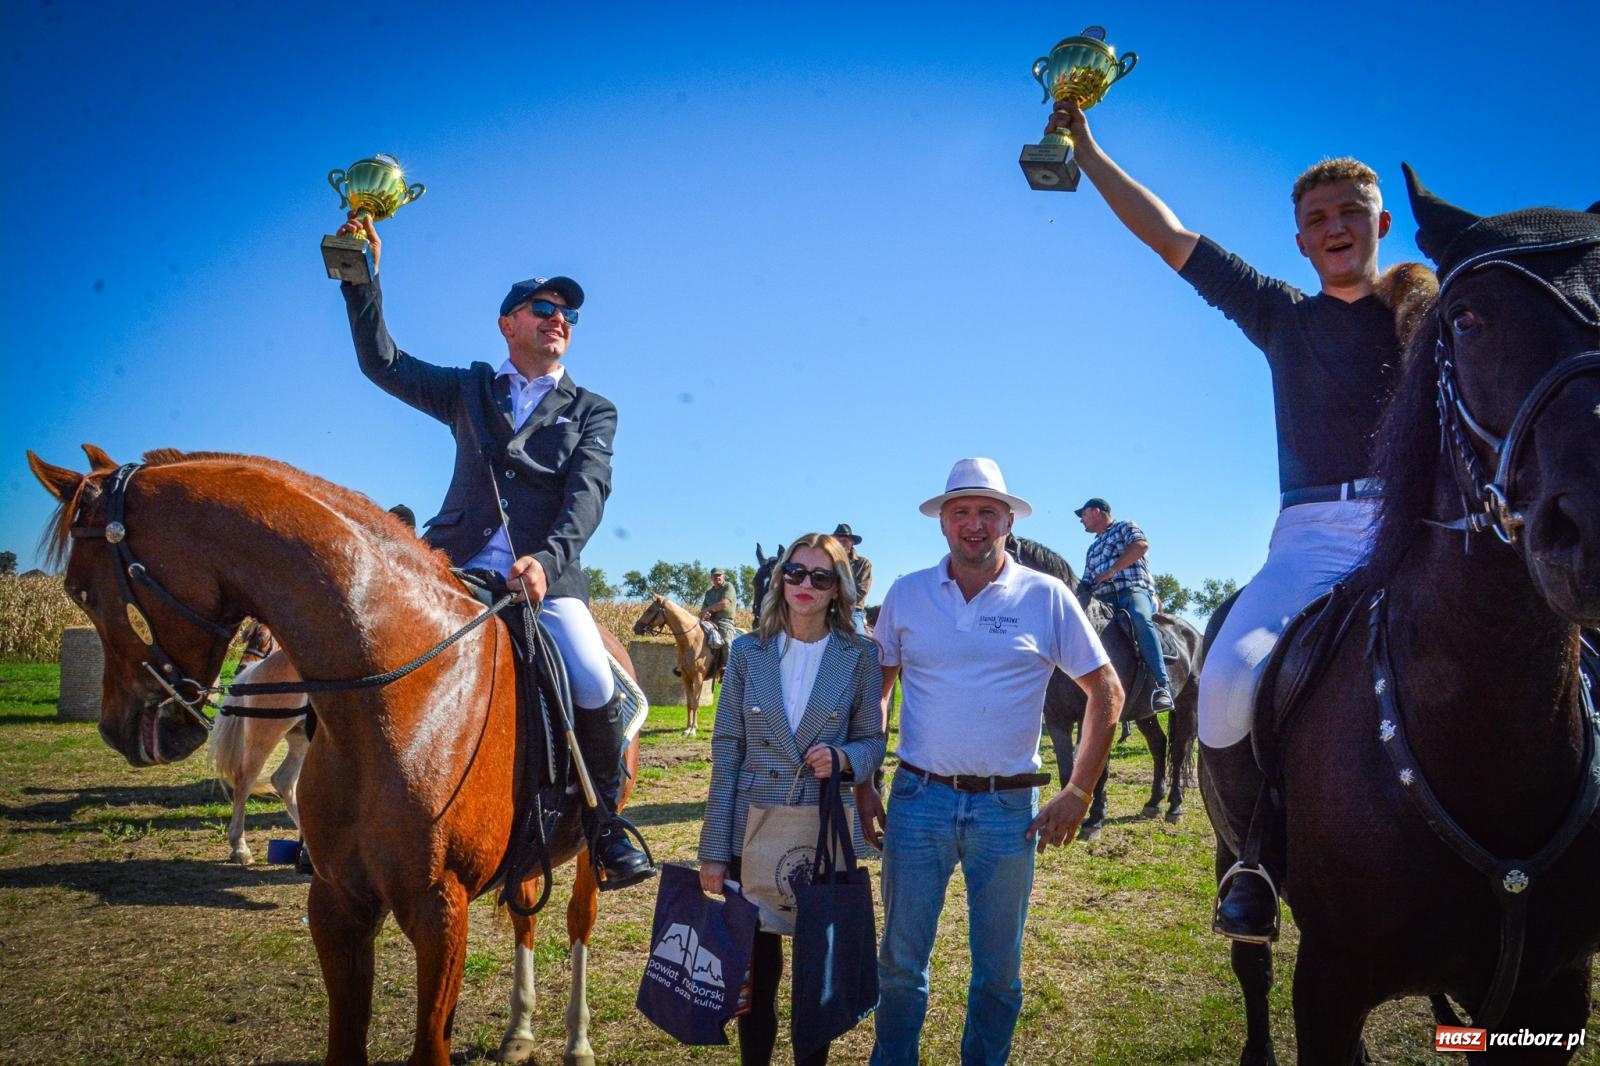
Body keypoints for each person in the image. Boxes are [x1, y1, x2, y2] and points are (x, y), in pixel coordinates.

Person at [1049, 102, 1424, 940]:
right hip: (1309, 540)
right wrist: (1088, 147)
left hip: (1419, 529)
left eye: (1349, 214)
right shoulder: (1281, 315)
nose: (1334, 228)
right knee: (1221, 683)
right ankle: (1252, 854)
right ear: (1298, 240)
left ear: (1381, 223)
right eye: (1316, 219)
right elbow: (1165, 233)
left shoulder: (1431, 322)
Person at [333, 212, 655, 892]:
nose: (558, 317)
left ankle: (603, 829)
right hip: (453, 568)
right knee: (360, 638)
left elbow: (588, 493)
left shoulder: (593, 409)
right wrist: (363, 276)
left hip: (545, 580)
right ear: (508, 323)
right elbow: (379, 361)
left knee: (595, 681)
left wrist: (548, 556)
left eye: (566, 311)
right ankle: (334, 816)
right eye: (542, 307)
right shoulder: (468, 390)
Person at [857, 458, 1122, 1066]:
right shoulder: (907, 593)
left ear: (1008, 521)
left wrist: (1079, 791)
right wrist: (865, 780)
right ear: (943, 523)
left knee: (998, 974)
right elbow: (874, 691)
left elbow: (1106, 691)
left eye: (986, 512)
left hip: (1009, 810)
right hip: (919, 801)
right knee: (899, 965)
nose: (973, 524)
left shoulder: (1045, 595)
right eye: (960, 512)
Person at [699, 533, 886, 1066]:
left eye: (820, 577)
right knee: (755, 974)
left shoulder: (860, 656)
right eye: (795, 573)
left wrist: (847, 759)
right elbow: (727, 750)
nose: (805, 584)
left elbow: (873, 739)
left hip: (821, 831)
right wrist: (714, 850)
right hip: (749, 829)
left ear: (837, 591)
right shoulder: (746, 652)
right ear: (780, 580)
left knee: (815, 967)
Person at [1074, 497, 1175, 713]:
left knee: (1139, 618)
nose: (1081, 520)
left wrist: (1112, 571)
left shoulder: (1125, 526)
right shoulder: (1092, 549)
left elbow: (1141, 545)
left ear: (1097, 512)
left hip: (1132, 591)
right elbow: (1086, 582)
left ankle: (1161, 686)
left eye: (1083, 514)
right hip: (1104, 600)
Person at [830, 523, 873, 633]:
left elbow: (861, 591)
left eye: (844, 541)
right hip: (826, 609)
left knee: (859, 640)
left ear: (852, 542)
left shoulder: (863, 563)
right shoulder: (825, 562)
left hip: (852, 612)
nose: (840, 544)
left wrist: (838, 602)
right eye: (837, 541)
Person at [699, 567, 739, 648]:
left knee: (727, 643)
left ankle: (729, 660)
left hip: (724, 622)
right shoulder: (708, 593)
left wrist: (708, 610)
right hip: (709, 622)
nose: (717, 577)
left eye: (719, 575)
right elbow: (703, 611)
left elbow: (724, 604)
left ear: (723, 576)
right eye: (715, 576)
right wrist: (704, 614)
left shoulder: (728, 586)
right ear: (711, 578)